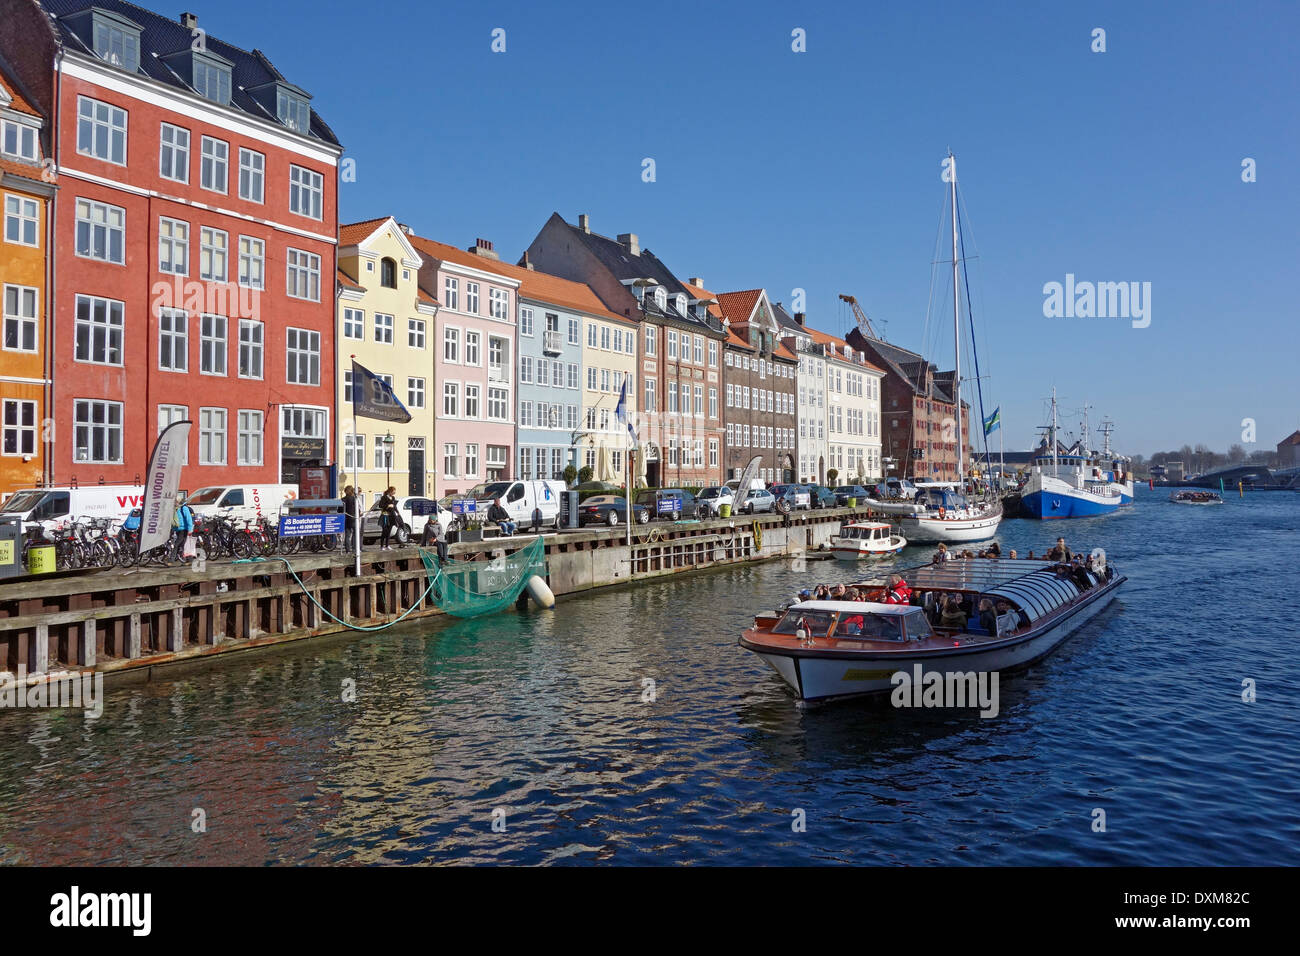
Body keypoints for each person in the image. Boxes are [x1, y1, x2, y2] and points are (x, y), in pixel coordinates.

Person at [376, 486, 400, 551]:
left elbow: (394, 506)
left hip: (391, 516)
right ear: (390, 491)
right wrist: (388, 505)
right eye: (393, 492)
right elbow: (380, 505)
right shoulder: (384, 497)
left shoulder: (393, 498)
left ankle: (387, 545)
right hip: (385, 515)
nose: (394, 493)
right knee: (384, 531)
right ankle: (381, 546)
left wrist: (398, 512)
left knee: (389, 531)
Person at [171, 493, 195, 557]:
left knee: (176, 544)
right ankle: (189, 559)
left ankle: (171, 560)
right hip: (177, 529)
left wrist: (190, 529)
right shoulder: (175, 508)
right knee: (183, 545)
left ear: (178, 501)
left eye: (175, 501)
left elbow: (189, 519)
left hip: (184, 529)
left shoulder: (183, 508)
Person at [342, 486, 358, 552]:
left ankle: (347, 550)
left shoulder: (343, 499)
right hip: (353, 517)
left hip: (346, 518)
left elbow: (340, 509)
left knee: (347, 535)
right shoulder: (354, 499)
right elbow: (357, 508)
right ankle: (354, 548)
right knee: (355, 533)